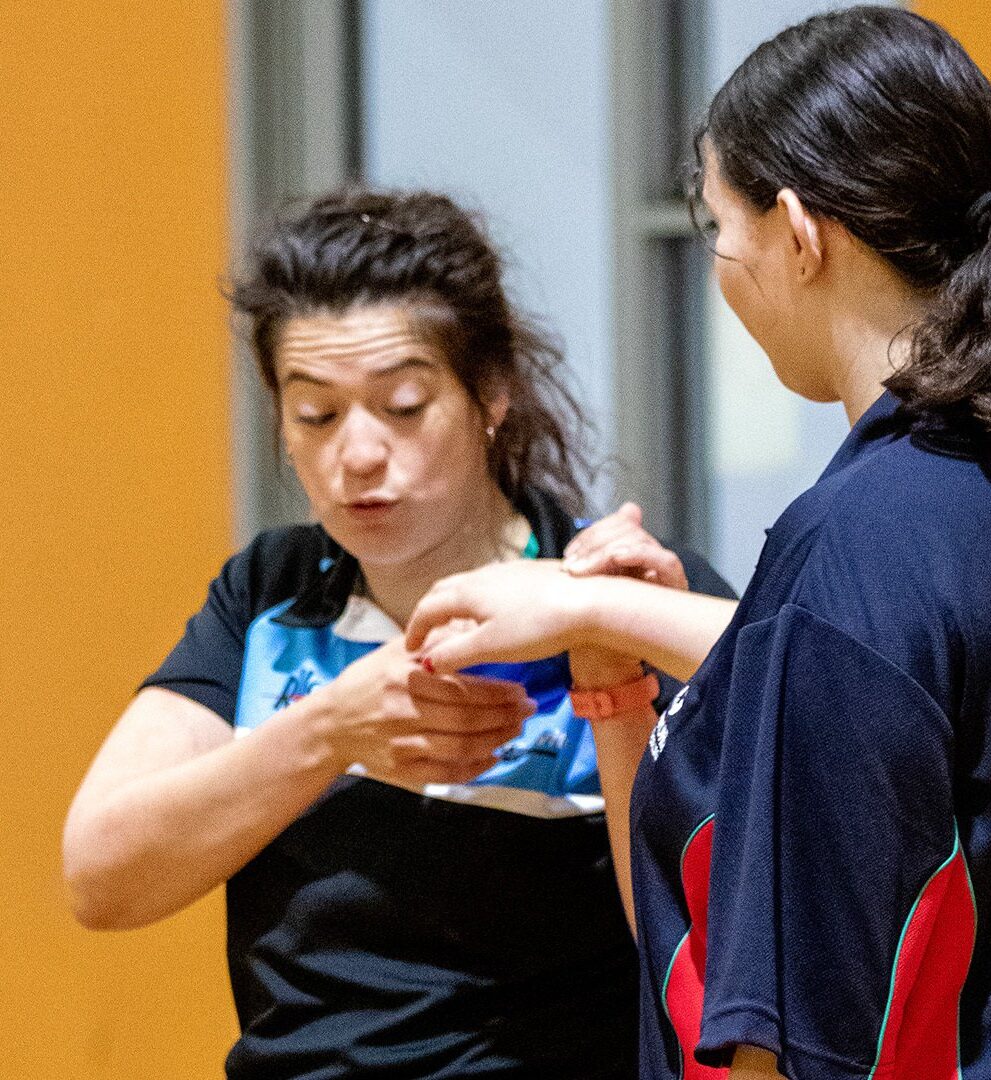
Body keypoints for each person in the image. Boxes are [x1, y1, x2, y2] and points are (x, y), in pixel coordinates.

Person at [405, 7, 991, 1079]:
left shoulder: (852, 551)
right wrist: (603, 626)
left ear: (802, 235)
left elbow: (788, 1035)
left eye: (722, 228)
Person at [61, 189, 736, 1078]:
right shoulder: (272, 594)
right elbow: (102, 877)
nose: (359, 453)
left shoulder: (617, 594)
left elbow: (711, 938)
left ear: (491, 393)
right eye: (317, 415)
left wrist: (609, 669)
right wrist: (328, 731)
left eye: (405, 404)